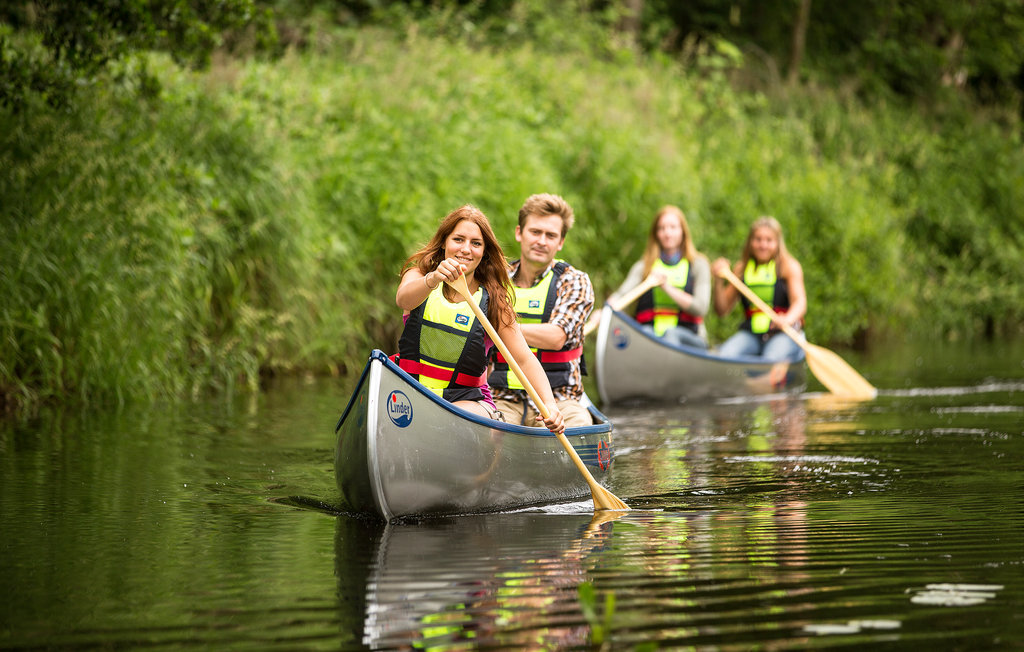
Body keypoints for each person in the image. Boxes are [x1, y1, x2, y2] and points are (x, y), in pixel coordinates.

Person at [395, 204, 565, 433]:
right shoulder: (419, 276)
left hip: (468, 401)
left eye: (476, 243)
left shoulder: (494, 302)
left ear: (484, 252)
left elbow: (524, 359)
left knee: (450, 415)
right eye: (458, 239)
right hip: (411, 392)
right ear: (444, 242)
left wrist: (550, 405)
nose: (466, 249)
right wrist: (433, 279)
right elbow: (404, 300)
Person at [488, 193, 595, 428]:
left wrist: (499, 329)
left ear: (561, 242)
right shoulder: (496, 280)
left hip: (561, 399)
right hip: (503, 398)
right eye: (535, 232)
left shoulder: (574, 281)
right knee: (486, 427)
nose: (542, 241)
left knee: (578, 424)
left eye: (550, 235)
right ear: (519, 233)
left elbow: (556, 337)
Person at [597, 205, 710, 348]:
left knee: (671, 334)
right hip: (651, 334)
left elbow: (701, 307)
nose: (667, 233)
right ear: (656, 233)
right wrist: (605, 311)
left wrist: (666, 287)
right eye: (662, 228)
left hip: (689, 337)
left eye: (673, 227)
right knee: (644, 333)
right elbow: (622, 294)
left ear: (683, 232)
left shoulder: (698, 265)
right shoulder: (644, 267)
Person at [710, 215, 807, 361]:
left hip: (783, 333)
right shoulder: (741, 268)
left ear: (777, 243)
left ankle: (772, 370)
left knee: (770, 358)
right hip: (752, 335)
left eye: (769, 240)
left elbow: (800, 302)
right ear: (750, 242)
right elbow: (721, 310)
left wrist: (787, 319)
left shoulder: (788, 267)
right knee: (724, 355)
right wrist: (718, 281)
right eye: (758, 239)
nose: (763, 245)